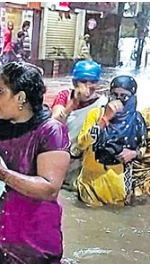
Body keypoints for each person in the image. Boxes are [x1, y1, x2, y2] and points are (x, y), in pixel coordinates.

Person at [0, 62, 71, 264]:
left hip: (32, 242)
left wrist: (1, 173)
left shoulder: (51, 131)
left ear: (21, 98)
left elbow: (49, 189)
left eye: (0, 92)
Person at [76, 75, 148, 207]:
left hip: (118, 186)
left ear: (132, 97)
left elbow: (143, 148)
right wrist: (105, 119)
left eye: (124, 96)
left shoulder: (137, 120)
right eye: (115, 95)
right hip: (90, 183)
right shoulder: (96, 114)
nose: (118, 100)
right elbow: (81, 144)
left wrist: (134, 154)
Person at [51, 60, 107, 188]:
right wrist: (71, 105)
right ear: (75, 83)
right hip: (58, 156)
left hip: (80, 161)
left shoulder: (102, 104)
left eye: (92, 82)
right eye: (83, 81)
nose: (88, 86)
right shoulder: (64, 96)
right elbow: (53, 125)